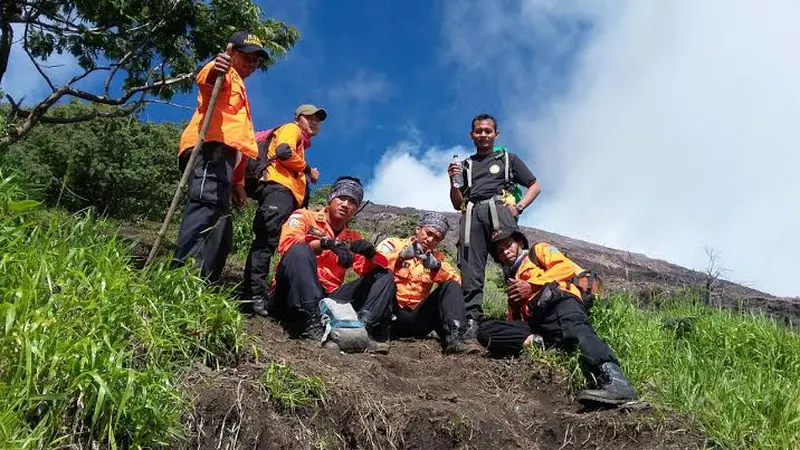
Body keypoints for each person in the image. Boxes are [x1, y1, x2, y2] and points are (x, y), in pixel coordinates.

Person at [477, 228, 639, 406]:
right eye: (500, 251)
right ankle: (548, 344)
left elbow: (565, 267)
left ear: (520, 243)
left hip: (561, 300)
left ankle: (618, 382)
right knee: (486, 331)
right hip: (538, 322)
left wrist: (531, 285)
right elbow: (515, 322)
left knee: (577, 330)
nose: (505, 251)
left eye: (508, 245)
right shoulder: (514, 280)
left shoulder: (538, 251)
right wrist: (515, 307)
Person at [172, 31, 267, 283]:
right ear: (232, 52)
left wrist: (238, 183)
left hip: (224, 161)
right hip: (210, 151)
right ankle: (182, 282)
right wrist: (218, 67)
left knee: (221, 230)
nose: (252, 63)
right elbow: (207, 80)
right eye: (247, 56)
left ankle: (203, 287)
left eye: (257, 60)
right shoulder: (225, 73)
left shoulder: (240, 87)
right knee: (205, 210)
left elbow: (236, 141)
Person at [270, 177, 396, 345]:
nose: (345, 204)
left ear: (356, 209)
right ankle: (312, 325)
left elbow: (365, 270)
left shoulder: (353, 237)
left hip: (328, 299)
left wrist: (370, 255)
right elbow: (288, 245)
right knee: (301, 249)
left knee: (384, 274)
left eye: (352, 202)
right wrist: (325, 243)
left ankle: (362, 329)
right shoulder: (304, 216)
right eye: (342, 198)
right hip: (289, 294)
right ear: (331, 198)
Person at [447, 113, 542, 336]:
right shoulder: (465, 166)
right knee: (470, 266)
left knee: (513, 261)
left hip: (500, 210)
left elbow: (535, 185)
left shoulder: (508, 159)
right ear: (472, 135)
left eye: (487, 131)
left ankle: (524, 315)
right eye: (478, 131)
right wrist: (452, 182)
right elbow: (457, 203)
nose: (483, 135)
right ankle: (472, 319)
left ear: (496, 134)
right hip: (471, 213)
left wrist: (518, 207)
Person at [243, 104, 326, 316]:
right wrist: (308, 170)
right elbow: (283, 152)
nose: (315, 121)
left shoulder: (301, 141)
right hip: (278, 191)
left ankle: (267, 295)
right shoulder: (292, 128)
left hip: (285, 195)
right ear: (299, 118)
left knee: (276, 243)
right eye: (310, 117)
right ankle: (252, 297)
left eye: (318, 119)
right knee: (266, 242)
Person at [374, 212, 483, 354]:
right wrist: (399, 258)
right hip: (388, 313)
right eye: (428, 233)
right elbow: (373, 264)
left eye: (436, 238)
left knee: (451, 285)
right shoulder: (393, 244)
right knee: (385, 276)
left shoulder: (437, 258)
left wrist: (437, 267)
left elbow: (458, 284)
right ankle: (377, 334)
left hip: (416, 319)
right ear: (418, 229)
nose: (430, 239)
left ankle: (455, 339)